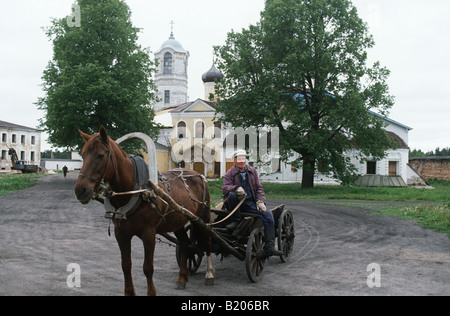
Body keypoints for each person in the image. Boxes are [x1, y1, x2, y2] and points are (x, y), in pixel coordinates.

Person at [222, 150, 283, 257]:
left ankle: (270, 247)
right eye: (239, 159)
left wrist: (260, 201)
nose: (241, 161)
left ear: (245, 160)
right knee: (231, 195)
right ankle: (236, 221)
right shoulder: (230, 173)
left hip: (250, 203)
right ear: (234, 161)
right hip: (235, 206)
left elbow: (259, 188)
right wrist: (235, 188)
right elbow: (225, 188)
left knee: (268, 215)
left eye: (243, 159)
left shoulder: (252, 171)